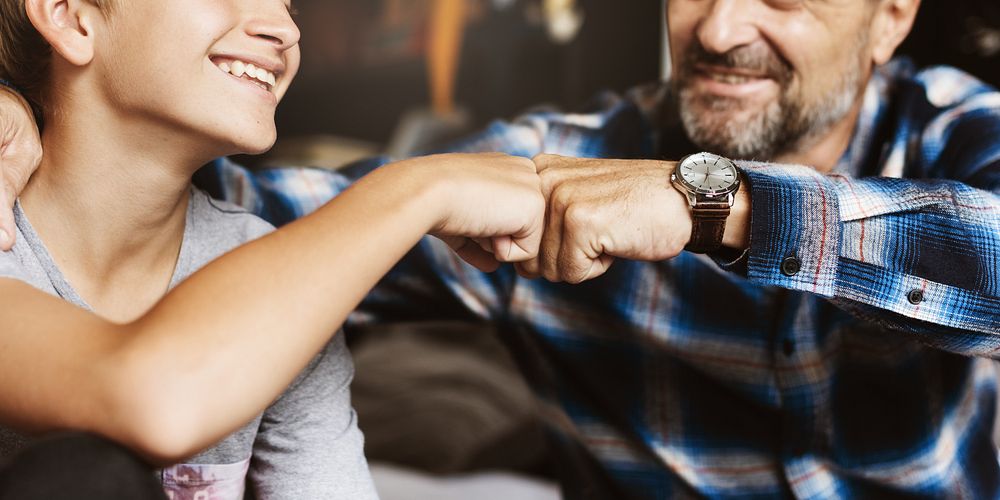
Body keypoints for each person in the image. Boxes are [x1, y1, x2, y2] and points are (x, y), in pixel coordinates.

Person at [3, 0, 1000, 497]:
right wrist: (22, 102)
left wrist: (714, 207)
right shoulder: (552, 174)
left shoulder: (959, 135)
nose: (721, 26)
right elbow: (229, 219)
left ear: (891, 18)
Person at [0, 0, 544, 499]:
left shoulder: (270, 271)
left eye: (286, 1)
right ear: (71, 18)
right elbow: (153, 403)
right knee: (81, 475)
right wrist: (418, 189)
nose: (285, 29)